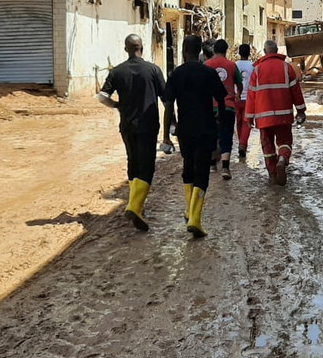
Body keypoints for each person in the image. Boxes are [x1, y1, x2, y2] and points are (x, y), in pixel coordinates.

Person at [96, 34, 166, 232]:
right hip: (149, 125)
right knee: (147, 166)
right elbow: (166, 98)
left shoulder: (117, 71)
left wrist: (117, 105)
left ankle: (137, 205)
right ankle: (134, 206)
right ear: (141, 48)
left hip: (127, 125)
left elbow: (102, 97)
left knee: (133, 162)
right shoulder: (153, 70)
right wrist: (173, 123)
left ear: (126, 49)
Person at [162, 35, 228, 239]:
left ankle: (189, 211)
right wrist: (220, 132)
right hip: (206, 129)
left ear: (183, 50)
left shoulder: (176, 74)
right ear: (199, 50)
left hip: (185, 131)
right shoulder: (208, 73)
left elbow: (167, 107)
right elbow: (222, 102)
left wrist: (165, 136)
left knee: (188, 169)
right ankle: (195, 219)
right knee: (202, 172)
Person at [245, 40, 306, 186]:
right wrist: (301, 111)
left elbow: (251, 95)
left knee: (267, 146)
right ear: (277, 50)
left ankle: (272, 175)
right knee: (285, 142)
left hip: (263, 117)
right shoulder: (286, 68)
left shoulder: (257, 70)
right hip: (283, 115)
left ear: (265, 52)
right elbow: (295, 91)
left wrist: (249, 116)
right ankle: (282, 160)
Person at [204, 38, 242, 180]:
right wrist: (237, 95)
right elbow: (239, 83)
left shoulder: (206, 64)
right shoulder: (232, 65)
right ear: (226, 51)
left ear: (214, 50)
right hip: (228, 107)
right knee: (226, 135)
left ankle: (212, 164)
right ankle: (225, 167)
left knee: (211, 135)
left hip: (209, 107)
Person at [234, 43, 255, 159]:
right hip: (248, 99)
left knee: (239, 122)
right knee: (247, 123)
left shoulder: (234, 65)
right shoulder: (252, 67)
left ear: (239, 53)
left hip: (236, 98)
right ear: (249, 53)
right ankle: (243, 144)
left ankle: (241, 144)